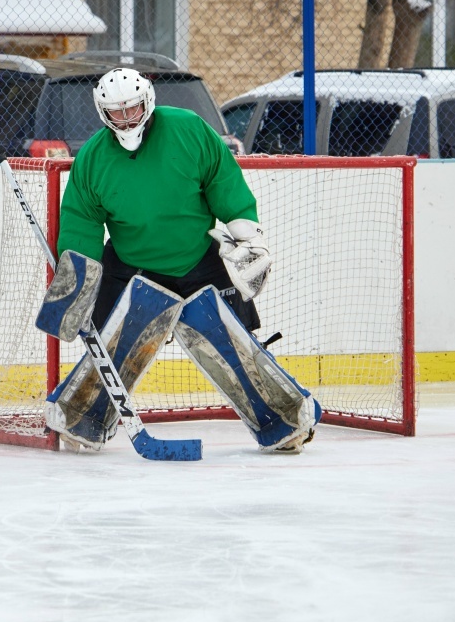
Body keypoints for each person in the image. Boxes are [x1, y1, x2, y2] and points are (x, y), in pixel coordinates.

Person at [39, 67, 321, 455]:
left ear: (148, 100)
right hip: (131, 266)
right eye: (116, 112)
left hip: (198, 259)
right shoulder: (92, 159)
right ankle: (82, 417)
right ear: (103, 114)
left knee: (232, 341)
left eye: (132, 108)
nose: (126, 119)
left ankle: (283, 417)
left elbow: (223, 180)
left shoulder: (188, 129)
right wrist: (77, 281)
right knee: (113, 345)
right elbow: (81, 221)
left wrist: (247, 237)